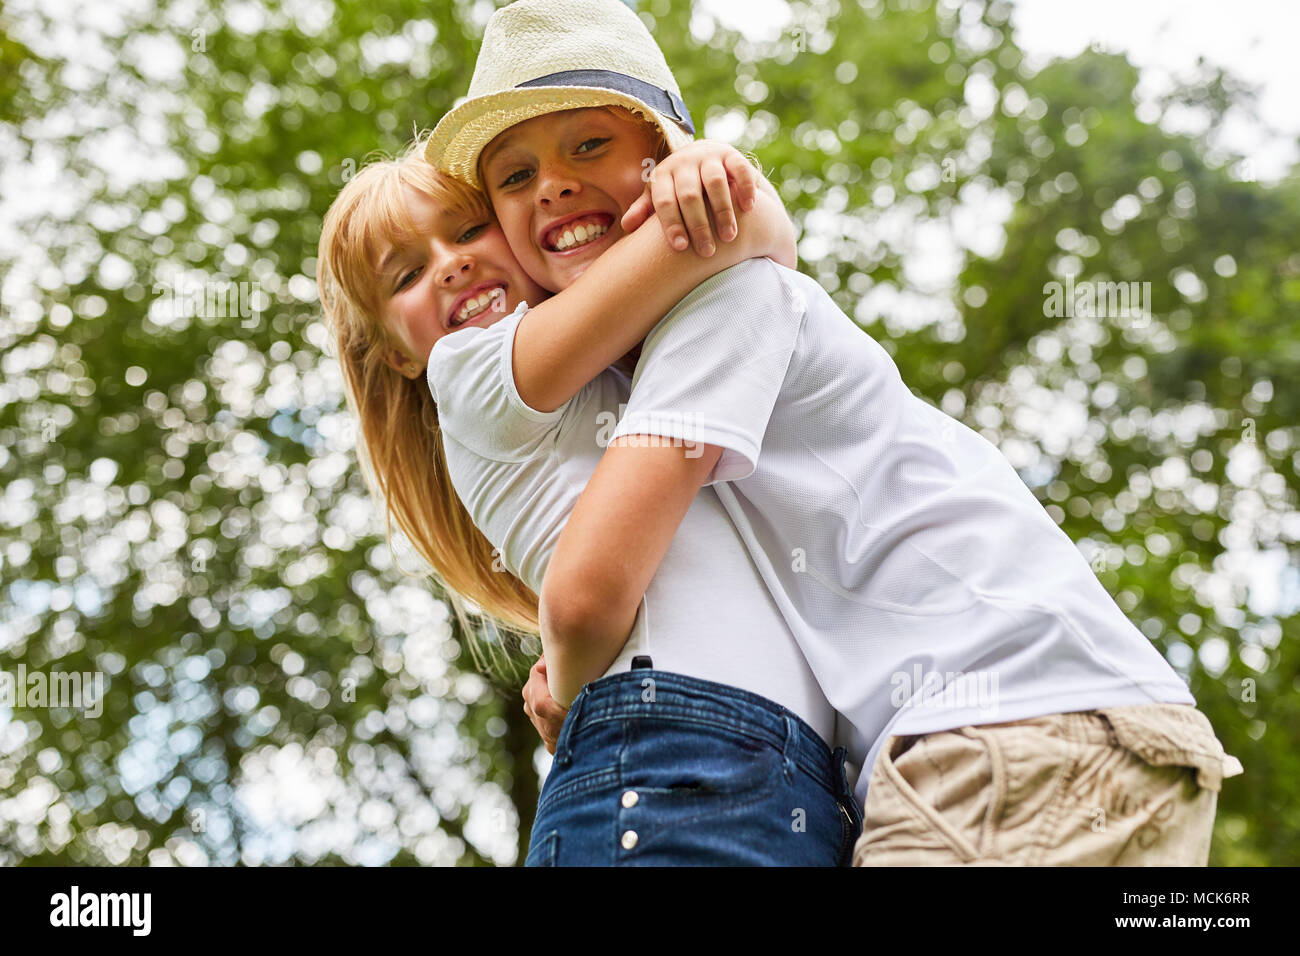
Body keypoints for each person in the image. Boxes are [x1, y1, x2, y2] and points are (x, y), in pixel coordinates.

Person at [429, 0, 1244, 865]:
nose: (551, 183)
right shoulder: (648, 355)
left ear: (666, 157)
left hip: (1011, 729)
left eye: (588, 145)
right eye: (513, 178)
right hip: (985, 742)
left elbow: (591, 588)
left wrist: (580, 676)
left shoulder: (720, 302)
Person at [317, 128, 861, 863]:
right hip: (671, 753)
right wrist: (721, 186)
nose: (451, 266)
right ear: (397, 356)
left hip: (785, 770)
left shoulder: (616, 360)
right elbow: (708, 239)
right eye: (407, 275)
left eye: (469, 229)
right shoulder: (472, 374)